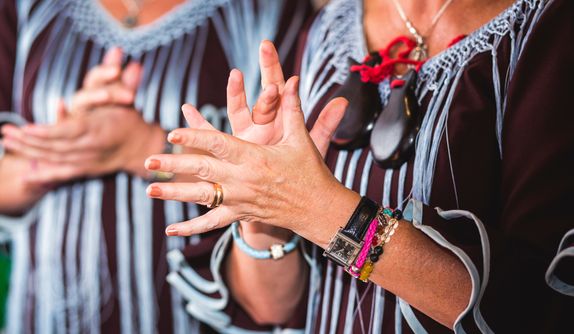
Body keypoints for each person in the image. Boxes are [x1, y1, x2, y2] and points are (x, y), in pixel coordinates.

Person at [145, 0, 574, 332]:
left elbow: (541, 310)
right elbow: (273, 308)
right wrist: (262, 213)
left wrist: (319, 211)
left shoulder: (548, 31)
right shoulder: (327, 28)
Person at [0, 0, 312, 332]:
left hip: (199, 312)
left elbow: (285, 178)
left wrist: (144, 149)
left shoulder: (266, 10)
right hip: (46, 312)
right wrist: (70, 146)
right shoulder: (25, 7)